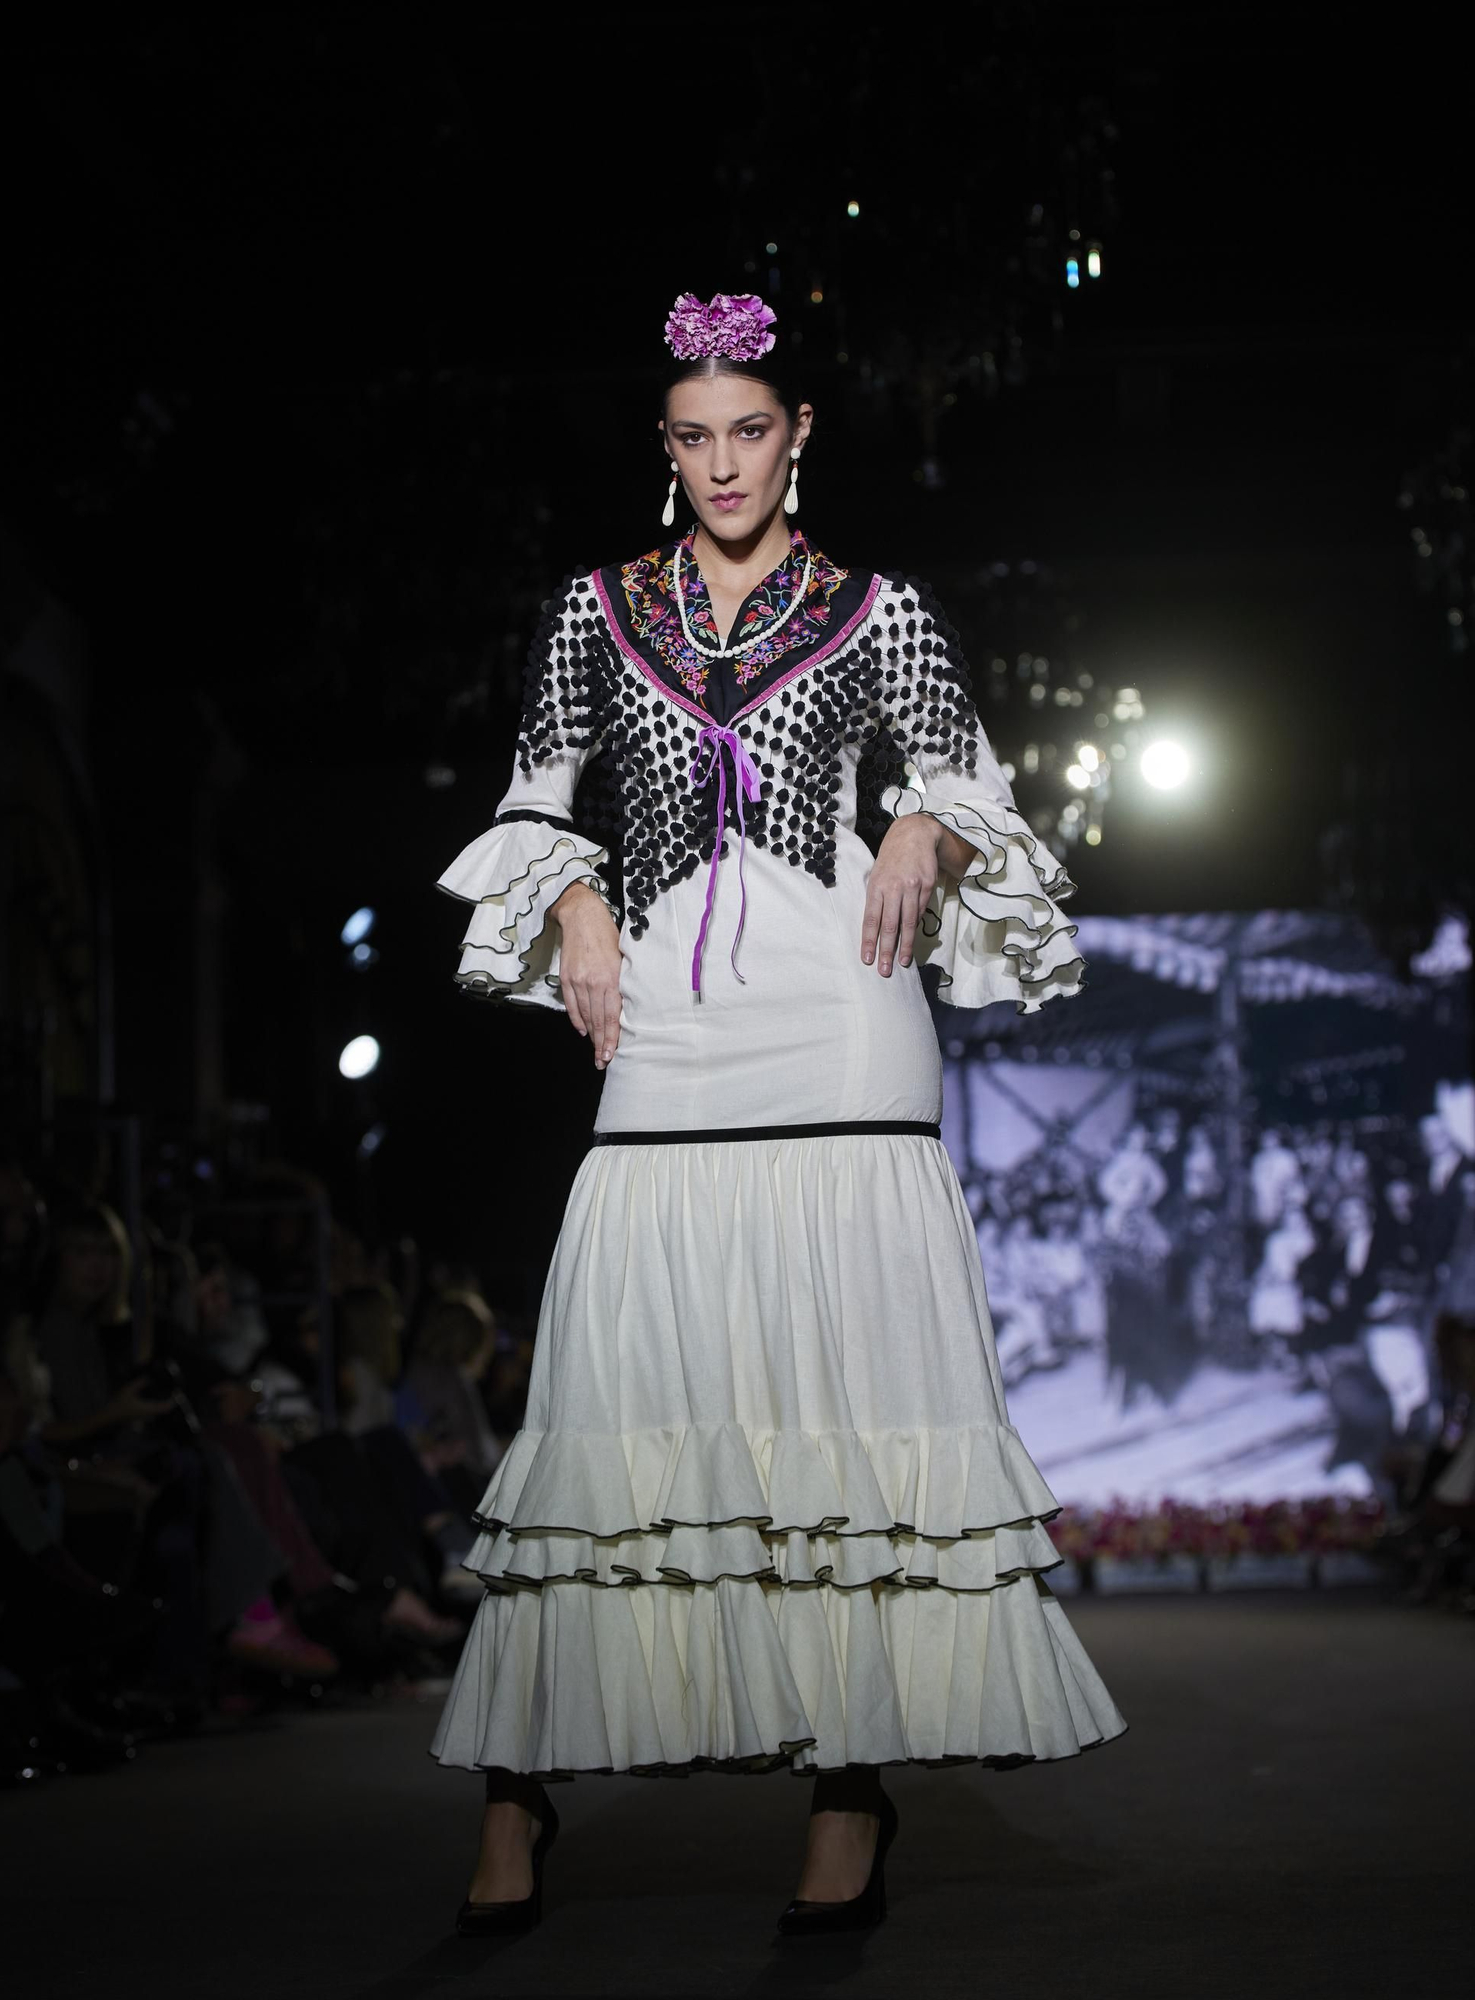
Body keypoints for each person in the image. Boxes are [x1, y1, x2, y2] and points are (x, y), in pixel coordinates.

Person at [430, 290, 1127, 1939]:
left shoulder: (884, 610)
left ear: (799, 437)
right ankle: (522, 1789)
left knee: (856, 1417)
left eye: (754, 430)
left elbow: (972, 787)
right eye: (695, 435)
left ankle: (850, 1796)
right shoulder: (589, 612)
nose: (726, 460)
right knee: (616, 1411)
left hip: (844, 1025)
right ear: (664, 451)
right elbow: (533, 805)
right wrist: (578, 903)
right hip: (669, 1030)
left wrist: (921, 836)